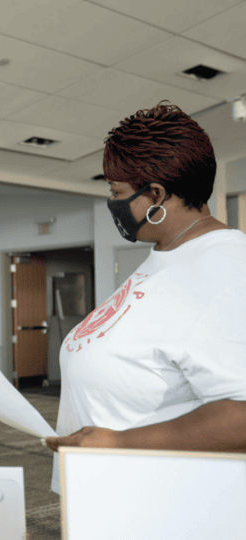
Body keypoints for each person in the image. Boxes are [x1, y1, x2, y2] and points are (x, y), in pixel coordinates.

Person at [44, 102, 246, 492]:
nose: (113, 203)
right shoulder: (166, 256)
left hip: (160, 508)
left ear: (156, 195)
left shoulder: (225, 268)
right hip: (108, 499)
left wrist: (120, 444)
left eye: (117, 193)